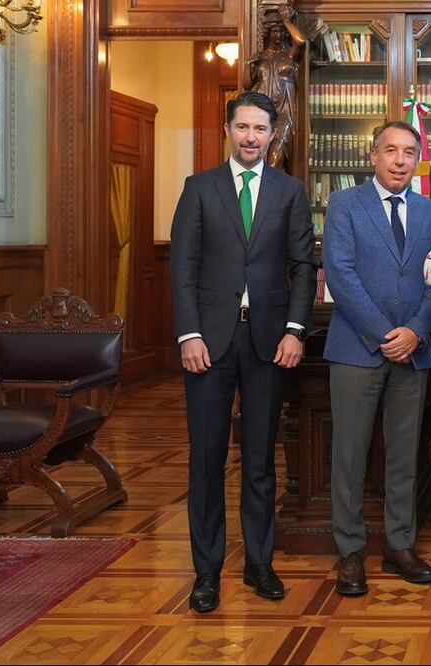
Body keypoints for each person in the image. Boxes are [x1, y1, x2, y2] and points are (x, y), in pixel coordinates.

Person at [170, 91, 316, 613]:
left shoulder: (290, 191)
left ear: (273, 135)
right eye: (243, 127)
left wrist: (296, 329)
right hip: (208, 344)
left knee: (260, 459)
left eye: (261, 129)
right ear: (227, 130)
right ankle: (205, 573)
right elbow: (182, 268)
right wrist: (188, 335)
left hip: (269, 342)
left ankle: (259, 563)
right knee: (206, 460)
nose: (251, 137)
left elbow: (303, 267)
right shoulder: (199, 189)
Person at [322, 121, 431, 596]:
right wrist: (383, 333)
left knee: (404, 454)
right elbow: (340, 273)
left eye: (408, 152)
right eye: (390, 151)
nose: (399, 160)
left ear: (418, 160)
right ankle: (351, 552)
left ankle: (400, 546)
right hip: (357, 348)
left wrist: (415, 331)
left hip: (413, 351)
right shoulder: (345, 204)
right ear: (372, 155)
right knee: (349, 456)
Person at [243, 3, 305, 173]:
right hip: (262, 114)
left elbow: (300, 41)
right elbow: (247, 85)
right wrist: (248, 64)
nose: (279, 34)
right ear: (268, 33)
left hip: (285, 114)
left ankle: (274, 198)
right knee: (258, 164)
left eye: (282, 31)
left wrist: (287, 21)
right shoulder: (260, 57)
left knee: (274, 162)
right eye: (275, 31)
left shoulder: (290, 54)